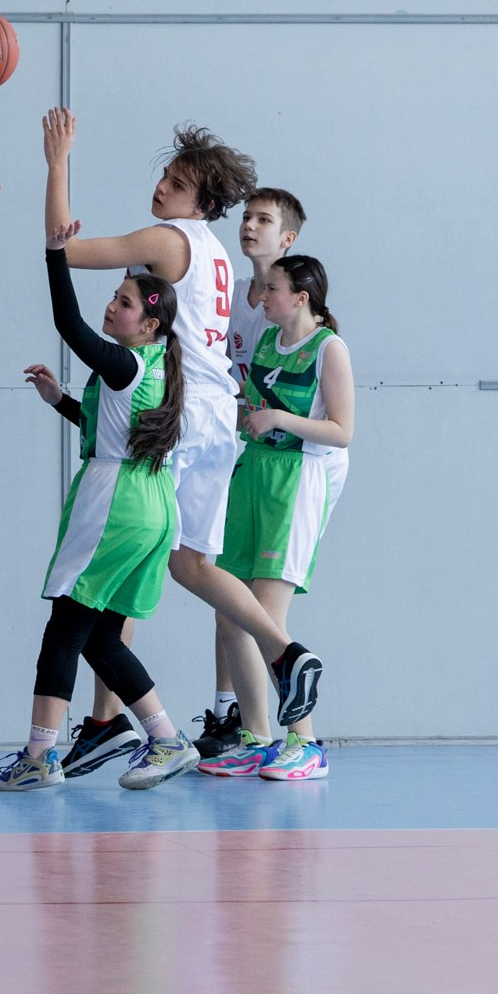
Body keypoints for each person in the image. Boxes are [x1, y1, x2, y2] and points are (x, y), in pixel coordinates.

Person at [37, 109, 324, 785]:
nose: (163, 186)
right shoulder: (214, 252)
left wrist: (56, 163)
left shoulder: (170, 240)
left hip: (188, 419)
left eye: (177, 181)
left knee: (185, 564)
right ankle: (111, 720)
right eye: (164, 175)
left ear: (204, 201)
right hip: (197, 415)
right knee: (144, 560)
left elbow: (65, 250)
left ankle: (285, 655)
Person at [0, 223, 191, 793]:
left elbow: (67, 324)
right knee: (100, 634)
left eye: (124, 303)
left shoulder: (124, 364)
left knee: (64, 625)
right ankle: (167, 738)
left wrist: (56, 253)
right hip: (149, 500)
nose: (112, 306)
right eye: (114, 296)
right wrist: (61, 402)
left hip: (115, 504)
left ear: (149, 323)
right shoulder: (147, 365)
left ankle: (39, 756)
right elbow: (111, 431)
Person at [201, 255, 352, 781]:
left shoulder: (328, 348)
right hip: (254, 476)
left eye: (273, 289)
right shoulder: (267, 342)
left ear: (301, 297)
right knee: (230, 614)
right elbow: (253, 404)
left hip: (297, 482)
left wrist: (281, 419)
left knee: (267, 617)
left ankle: (307, 743)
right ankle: (257, 738)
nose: (263, 297)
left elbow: (343, 430)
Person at [201, 185, 308, 756]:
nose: (248, 225)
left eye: (262, 219)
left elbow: (328, 415)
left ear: (287, 238)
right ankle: (233, 717)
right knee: (225, 591)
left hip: (289, 467)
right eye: (245, 216)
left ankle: (296, 736)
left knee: (258, 608)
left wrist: (268, 419)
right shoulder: (234, 293)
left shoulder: (295, 308)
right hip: (238, 452)